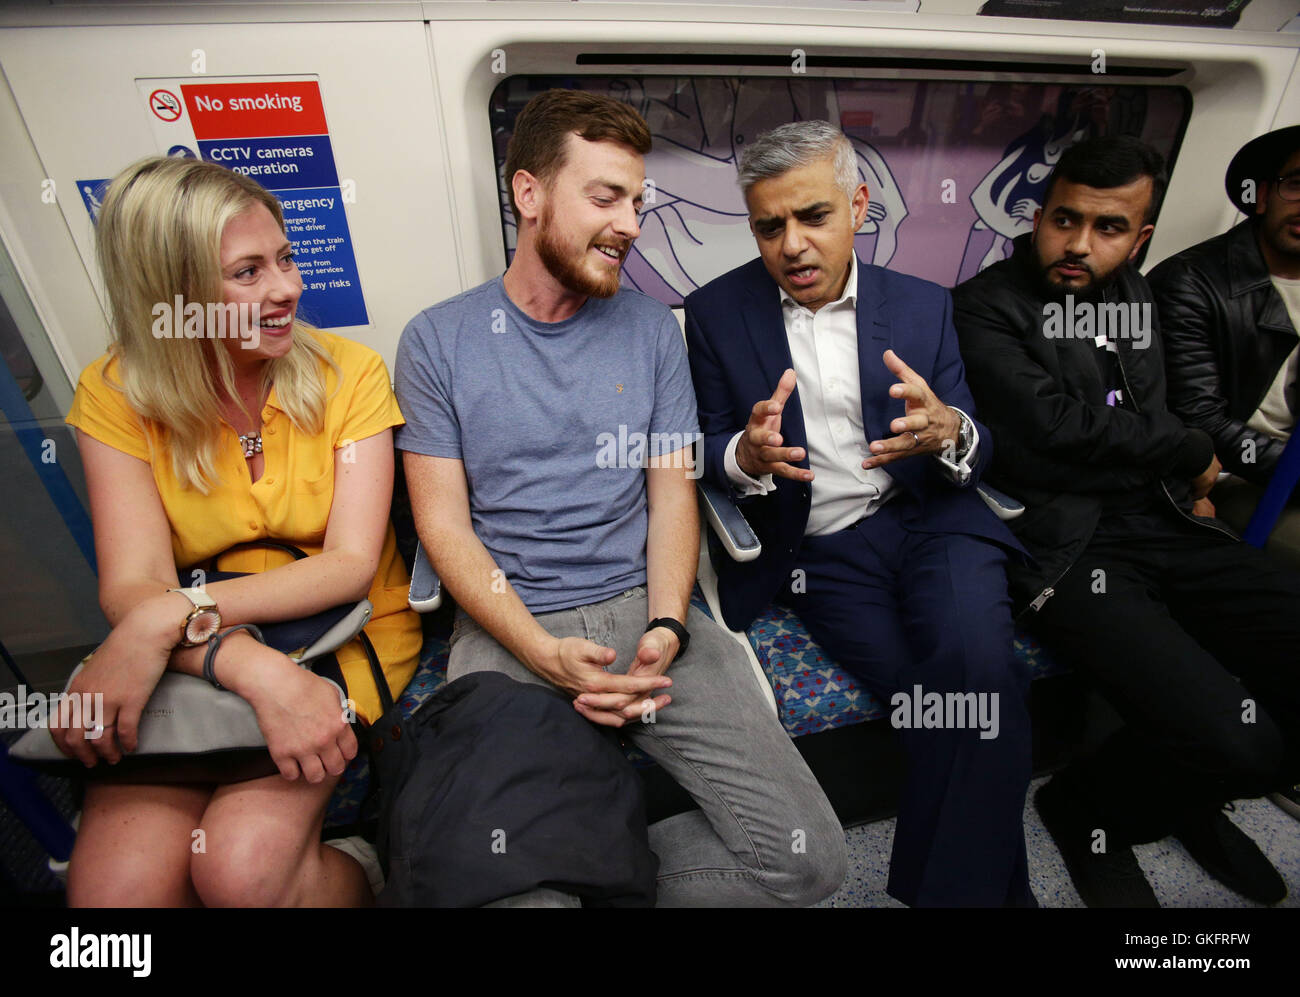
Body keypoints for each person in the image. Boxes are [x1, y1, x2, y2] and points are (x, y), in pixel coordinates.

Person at [395, 88, 847, 907]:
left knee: (811, 862)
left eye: (638, 201)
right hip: (509, 623)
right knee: (519, 898)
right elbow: (443, 526)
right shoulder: (438, 339)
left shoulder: (648, 331)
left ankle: (597, 865)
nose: (632, 223)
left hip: (646, 608)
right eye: (606, 197)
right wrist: (539, 650)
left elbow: (672, 496)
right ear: (529, 194)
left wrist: (670, 624)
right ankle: (563, 867)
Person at [685, 120, 1034, 907]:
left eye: (814, 216)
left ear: (859, 205)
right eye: (770, 225)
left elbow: (975, 445)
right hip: (821, 553)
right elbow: (704, 445)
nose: (793, 245)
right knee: (943, 704)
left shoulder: (922, 304)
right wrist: (744, 454)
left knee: (978, 667)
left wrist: (950, 430)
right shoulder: (713, 312)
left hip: (933, 520)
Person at [56, 156, 420, 906]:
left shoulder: (350, 373)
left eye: (284, 258)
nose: (286, 288)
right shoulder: (114, 390)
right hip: (196, 661)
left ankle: (362, 873)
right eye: (247, 272)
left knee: (239, 874)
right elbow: (131, 582)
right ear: (175, 295)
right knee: (110, 902)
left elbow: (349, 565)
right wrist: (242, 663)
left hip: (338, 639)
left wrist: (166, 615)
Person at [952, 135, 1300, 907]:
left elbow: (1134, 414)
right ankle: (1087, 809)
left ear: (1139, 237)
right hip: (1067, 544)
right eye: (1064, 220)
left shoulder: (1135, 294)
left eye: (1108, 228)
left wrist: (1177, 466)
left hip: (1166, 517)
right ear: (1038, 215)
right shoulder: (982, 308)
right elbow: (1046, 438)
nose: (1078, 244)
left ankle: (1177, 797)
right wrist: (1185, 448)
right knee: (1236, 739)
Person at [1149, 125, 1300, 571]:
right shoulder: (1192, 283)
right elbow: (1202, 421)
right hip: (1226, 477)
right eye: (1296, 185)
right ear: (1263, 195)